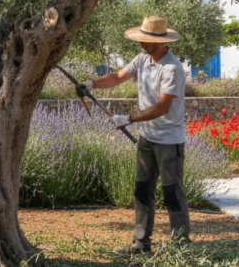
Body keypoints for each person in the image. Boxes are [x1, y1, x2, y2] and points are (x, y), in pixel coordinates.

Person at [76, 15, 189, 254]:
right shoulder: (142, 59)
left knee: (172, 194)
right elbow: (118, 76)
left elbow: (162, 107)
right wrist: (91, 84)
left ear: (160, 42)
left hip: (169, 142)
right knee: (141, 191)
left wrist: (129, 119)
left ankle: (181, 247)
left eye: (146, 40)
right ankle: (141, 244)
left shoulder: (172, 68)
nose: (141, 44)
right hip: (147, 139)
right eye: (141, 39)